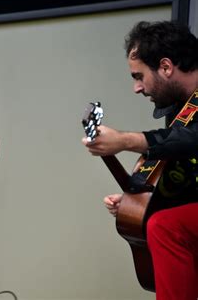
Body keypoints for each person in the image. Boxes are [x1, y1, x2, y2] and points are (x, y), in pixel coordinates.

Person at [83, 20, 198, 299]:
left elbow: (190, 140)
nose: (137, 88)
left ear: (167, 67)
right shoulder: (183, 108)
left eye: (139, 76)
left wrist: (125, 141)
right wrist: (141, 200)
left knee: (166, 226)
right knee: (160, 220)